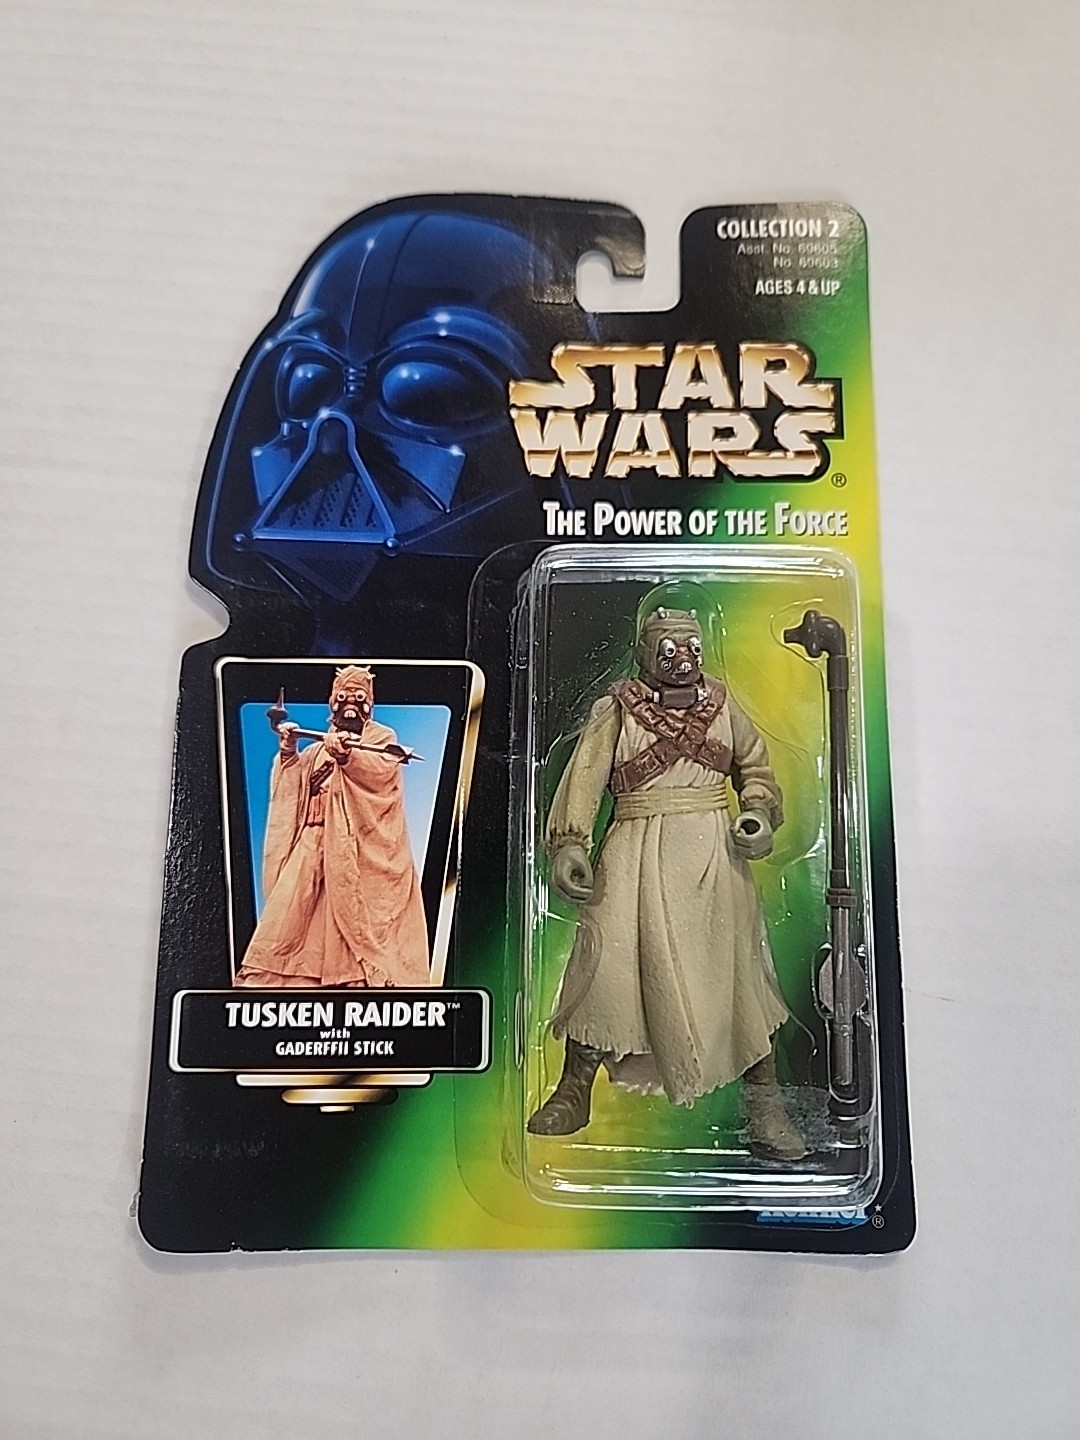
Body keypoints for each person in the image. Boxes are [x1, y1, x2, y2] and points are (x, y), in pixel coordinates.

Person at [528, 607, 806, 1160]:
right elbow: (584, 776)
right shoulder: (617, 709)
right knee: (605, 971)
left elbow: (755, 768)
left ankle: (766, 1104)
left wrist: (756, 812)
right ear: (646, 653)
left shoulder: (723, 706)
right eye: (670, 648)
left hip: (713, 857)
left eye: (691, 646)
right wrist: (570, 843)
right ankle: (574, 1089)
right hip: (632, 852)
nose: (683, 658)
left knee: (738, 979)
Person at [235, 666, 429, 989]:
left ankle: (352, 980)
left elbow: (381, 773)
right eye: (343, 697)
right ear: (333, 703)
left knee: (350, 910)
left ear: (369, 704)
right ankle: (268, 978)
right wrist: (288, 751)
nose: (351, 703)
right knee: (289, 910)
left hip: (355, 846)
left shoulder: (381, 739)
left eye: (359, 697)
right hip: (312, 840)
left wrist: (348, 757)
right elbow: (293, 783)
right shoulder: (315, 750)